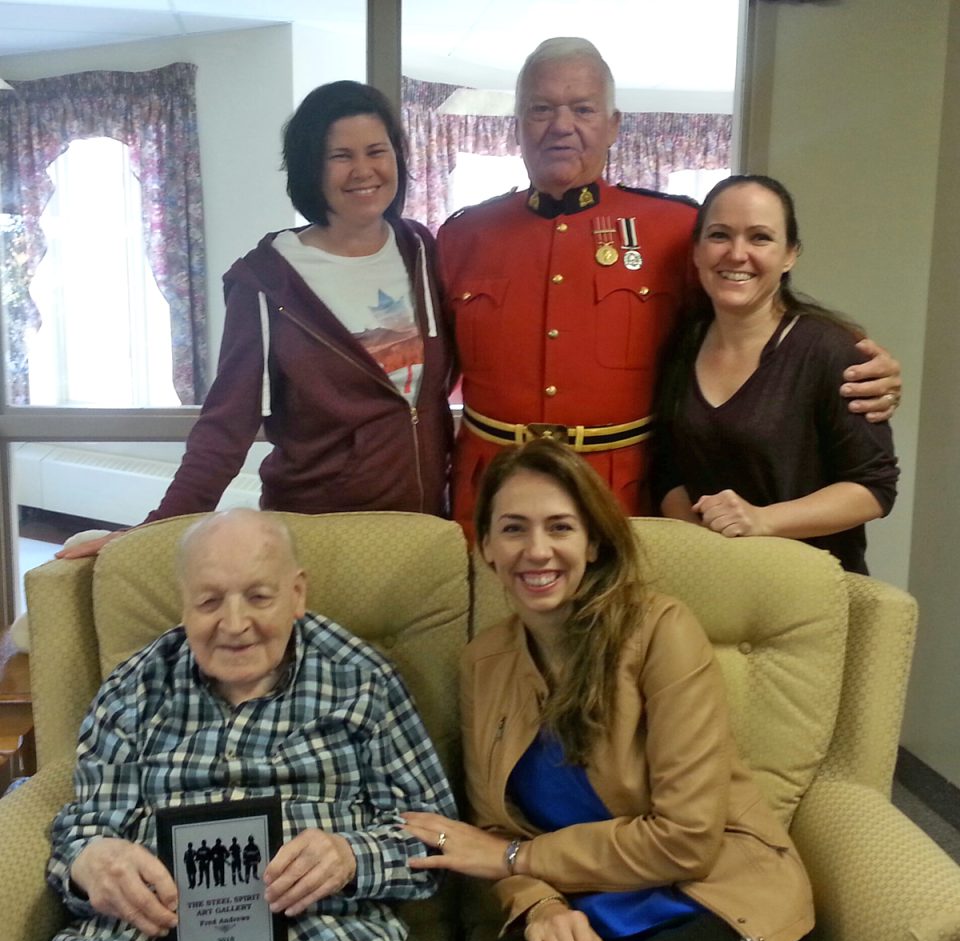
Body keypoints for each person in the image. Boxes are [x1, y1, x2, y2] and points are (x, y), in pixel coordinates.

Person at [401, 438, 814, 941]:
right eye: (513, 529)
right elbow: (495, 824)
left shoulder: (659, 632)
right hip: (598, 913)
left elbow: (687, 839)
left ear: (593, 542)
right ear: (486, 546)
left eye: (560, 527)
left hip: (723, 912)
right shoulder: (483, 662)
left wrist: (519, 859)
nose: (536, 550)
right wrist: (540, 905)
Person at [435, 37, 902, 534]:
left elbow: (748, 321)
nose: (562, 126)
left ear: (613, 126)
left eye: (583, 109)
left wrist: (863, 367)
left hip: (622, 496)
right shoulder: (463, 235)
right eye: (541, 109)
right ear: (518, 125)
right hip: (493, 490)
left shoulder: (674, 230)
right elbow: (428, 373)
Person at [19, 509, 458, 941]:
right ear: (183, 603)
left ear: (296, 593)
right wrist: (90, 862)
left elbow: (437, 837)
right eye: (208, 601)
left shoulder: (362, 681)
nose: (233, 624)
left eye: (258, 597)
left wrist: (350, 856)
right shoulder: (133, 689)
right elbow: (85, 825)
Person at [59, 80, 456, 561]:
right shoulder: (268, 281)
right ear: (311, 166)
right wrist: (155, 531)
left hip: (425, 530)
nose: (363, 170)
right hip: (318, 538)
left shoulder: (419, 250)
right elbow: (227, 423)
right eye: (340, 156)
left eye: (377, 151)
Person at [653, 174, 898, 574]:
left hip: (809, 593)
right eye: (719, 235)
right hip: (713, 584)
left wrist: (763, 521)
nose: (736, 254)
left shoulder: (830, 351)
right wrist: (703, 543)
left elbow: (874, 487)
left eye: (760, 238)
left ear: (790, 255)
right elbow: (667, 469)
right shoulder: (683, 343)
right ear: (696, 251)